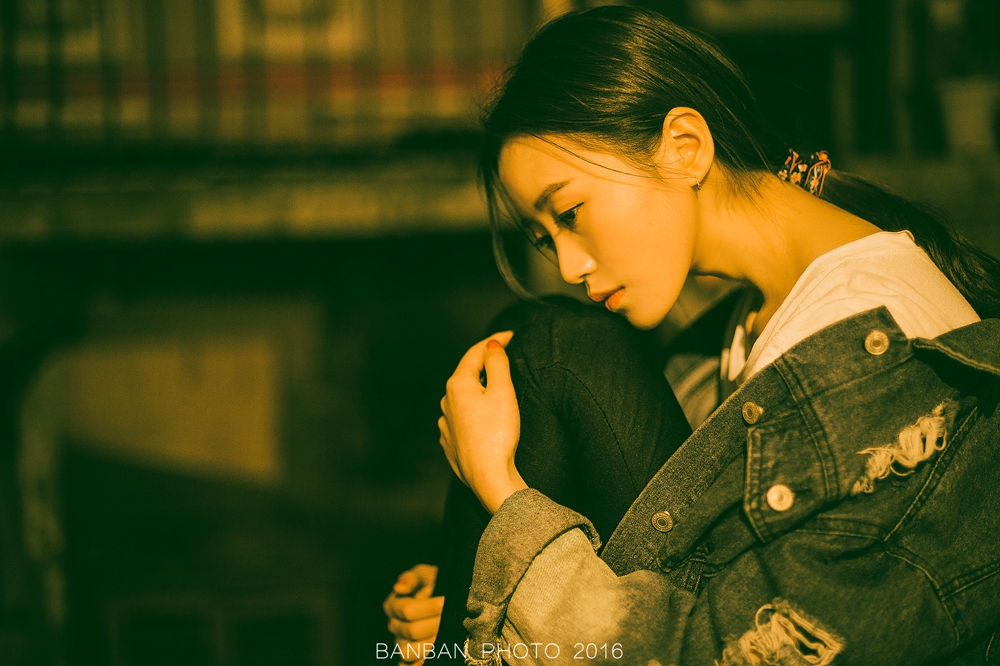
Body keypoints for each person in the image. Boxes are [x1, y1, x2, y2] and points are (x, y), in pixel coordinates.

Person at [386, 6, 1000, 665]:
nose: (568, 266)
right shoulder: (746, 318)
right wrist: (484, 585)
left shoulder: (874, 338)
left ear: (685, 147)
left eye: (570, 213)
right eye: (545, 238)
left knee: (551, 350)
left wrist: (500, 489)